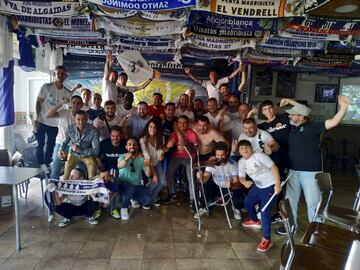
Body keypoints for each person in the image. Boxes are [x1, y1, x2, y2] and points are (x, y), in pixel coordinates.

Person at [279, 96, 350, 230]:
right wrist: (290, 102)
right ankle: (291, 228)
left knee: (313, 203)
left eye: (292, 115)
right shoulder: (293, 127)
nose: (289, 117)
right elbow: (305, 109)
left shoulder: (313, 127)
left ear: (301, 117)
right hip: (293, 171)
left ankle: (316, 231)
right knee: (290, 202)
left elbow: (334, 122)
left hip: (310, 172)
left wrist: (344, 107)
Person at [238, 140, 281, 252]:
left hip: (270, 185)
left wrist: (277, 184)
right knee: (247, 202)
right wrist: (244, 182)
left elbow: (274, 168)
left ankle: (267, 239)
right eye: (241, 148)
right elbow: (241, 177)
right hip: (258, 186)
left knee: (264, 210)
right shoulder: (241, 162)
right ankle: (255, 221)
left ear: (251, 148)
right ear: (239, 151)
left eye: (247, 147)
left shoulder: (259, 156)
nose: (245, 150)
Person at [34, 66, 75, 170]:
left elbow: (71, 109)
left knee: (50, 146)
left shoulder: (67, 92)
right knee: (40, 144)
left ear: (65, 76)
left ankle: (47, 165)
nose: (60, 75)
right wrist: (36, 119)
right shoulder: (46, 87)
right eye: (58, 73)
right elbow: (38, 102)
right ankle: (40, 165)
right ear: (54, 75)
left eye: (63, 73)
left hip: (55, 124)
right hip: (42, 121)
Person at [258, 100, 291, 224]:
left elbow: (298, 111)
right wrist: (251, 113)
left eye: (270, 108)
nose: (268, 111)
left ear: (274, 108)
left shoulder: (283, 118)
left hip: (288, 156)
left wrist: (288, 102)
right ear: (262, 112)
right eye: (265, 109)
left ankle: (281, 213)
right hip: (273, 160)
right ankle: (276, 211)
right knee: (277, 185)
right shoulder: (262, 126)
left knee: (284, 186)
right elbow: (248, 125)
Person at [195, 142, 246, 220]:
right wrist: (200, 177)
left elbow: (237, 183)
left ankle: (236, 208)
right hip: (217, 185)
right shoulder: (212, 162)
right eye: (218, 155)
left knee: (238, 190)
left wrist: (231, 184)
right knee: (205, 186)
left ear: (227, 153)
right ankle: (204, 207)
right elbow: (204, 180)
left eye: (222, 155)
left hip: (228, 188)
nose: (220, 157)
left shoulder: (233, 164)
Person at [164, 115, 198, 208]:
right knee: (168, 173)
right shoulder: (174, 133)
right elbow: (167, 148)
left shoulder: (191, 133)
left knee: (191, 177)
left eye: (184, 123)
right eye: (180, 123)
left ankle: (193, 199)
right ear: (177, 124)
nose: (182, 125)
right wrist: (168, 145)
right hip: (177, 156)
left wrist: (186, 144)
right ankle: (172, 194)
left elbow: (195, 149)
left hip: (189, 157)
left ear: (187, 124)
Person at [46, 95, 83, 180]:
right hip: (61, 143)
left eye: (78, 103)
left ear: (81, 105)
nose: (75, 105)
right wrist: (61, 103)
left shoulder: (83, 116)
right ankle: (53, 183)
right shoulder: (64, 112)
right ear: (71, 103)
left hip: (75, 144)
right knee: (56, 163)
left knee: (81, 164)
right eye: (73, 103)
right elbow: (48, 115)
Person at [117, 138, 153, 220]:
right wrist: (126, 159)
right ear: (126, 147)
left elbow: (148, 174)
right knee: (130, 188)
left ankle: (130, 197)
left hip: (136, 186)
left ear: (137, 147)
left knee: (148, 198)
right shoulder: (122, 156)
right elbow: (119, 166)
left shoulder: (141, 159)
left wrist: (148, 165)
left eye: (134, 144)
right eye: (129, 144)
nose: (132, 146)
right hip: (123, 184)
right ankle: (124, 208)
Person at [59, 110, 99, 180]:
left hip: (87, 154)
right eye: (78, 119)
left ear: (87, 119)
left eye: (83, 119)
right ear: (74, 120)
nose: (81, 122)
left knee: (92, 169)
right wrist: (61, 150)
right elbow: (65, 141)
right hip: (73, 154)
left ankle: (91, 186)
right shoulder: (70, 129)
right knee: (66, 174)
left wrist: (81, 150)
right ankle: (65, 187)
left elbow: (96, 150)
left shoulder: (93, 130)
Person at [140, 119, 165, 206]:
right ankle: (144, 198)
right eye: (150, 126)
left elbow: (160, 157)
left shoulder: (161, 138)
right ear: (147, 127)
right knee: (155, 181)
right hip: (147, 163)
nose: (152, 129)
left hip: (157, 162)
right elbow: (147, 157)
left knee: (161, 182)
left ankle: (151, 198)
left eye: (154, 127)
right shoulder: (143, 139)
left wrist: (164, 151)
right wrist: (154, 174)